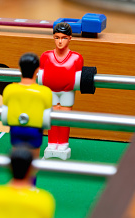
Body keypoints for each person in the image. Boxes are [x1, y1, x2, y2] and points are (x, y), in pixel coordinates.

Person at [38, 22, 83, 160]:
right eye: (57, 37)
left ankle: (63, 143)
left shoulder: (77, 58)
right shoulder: (46, 56)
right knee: (52, 116)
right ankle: (52, 143)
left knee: (64, 117)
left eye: (63, 38)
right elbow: (40, 74)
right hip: (50, 90)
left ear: (70, 38)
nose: (60, 41)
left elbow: (78, 77)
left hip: (67, 92)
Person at [2, 53, 53, 159]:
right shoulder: (45, 91)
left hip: (16, 128)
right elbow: (48, 111)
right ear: (37, 70)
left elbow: (5, 108)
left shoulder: (9, 89)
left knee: (17, 160)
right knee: (33, 161)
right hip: (35, 130)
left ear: (19, 68)